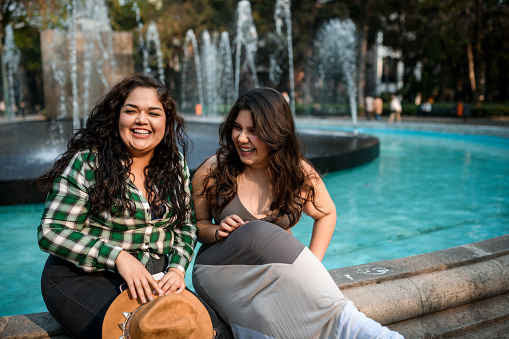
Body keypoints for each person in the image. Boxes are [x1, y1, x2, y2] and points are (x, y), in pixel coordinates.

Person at [191, 87, 404, 338]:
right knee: (258, 231)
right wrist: (217, 231)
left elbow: (326, 213)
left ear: (275, 133)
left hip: (272, 276)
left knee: (275, 328)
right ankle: (355, 327)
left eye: (254, 131)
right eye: (237, 128)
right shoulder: (213, 170)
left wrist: (312, 266)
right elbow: (198, 227)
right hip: (220, 269)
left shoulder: (297, 172)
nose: (241, 138)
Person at [37, 74, 217, 339]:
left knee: (203, 330)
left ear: (165, 122)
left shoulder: (173, 164)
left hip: (154, 276)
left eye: (153, 113)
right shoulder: (89, 162)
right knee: (127, 332)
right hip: (84, 276)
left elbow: (185, 226)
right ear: (116, 116)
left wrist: (177, 269)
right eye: (131, 111)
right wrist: (118, 257)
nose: (141, 120)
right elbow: (52, 231)